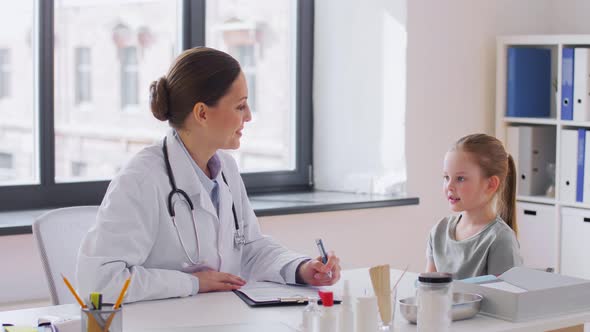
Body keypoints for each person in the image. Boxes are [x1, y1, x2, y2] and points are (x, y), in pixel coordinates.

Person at [76, 47, 341, 303]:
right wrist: (192, 283)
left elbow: (249, 248)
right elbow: (99, 282)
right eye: (240, 106)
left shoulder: (226, 169)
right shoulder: (142, 179)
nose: (248, 116)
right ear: (202, 113)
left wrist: (301, 268)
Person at [425, 133, 522, 280]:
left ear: (490, 184)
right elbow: (428, 290)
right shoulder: (439, 231)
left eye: (460, 178)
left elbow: (506, 300)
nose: (449, 186)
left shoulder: (501, 239)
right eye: (446, 177)